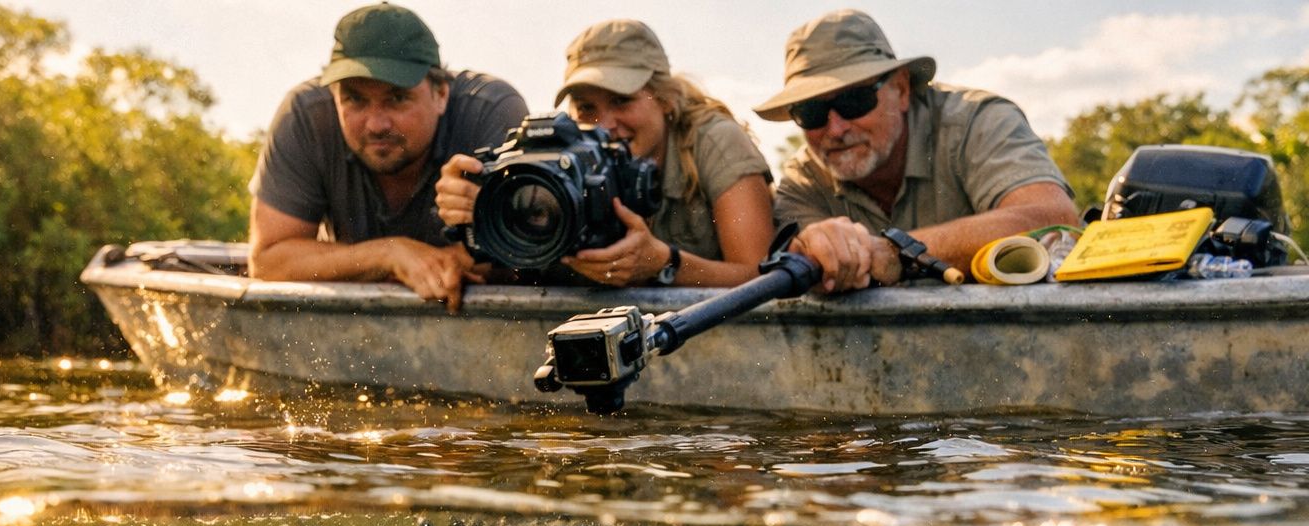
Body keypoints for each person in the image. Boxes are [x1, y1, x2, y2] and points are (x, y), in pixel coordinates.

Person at [753, 9, 1080, 293]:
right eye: (811, 112)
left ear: (901, 89)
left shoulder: (976, 122)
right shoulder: (802, 182)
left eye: (854, 101)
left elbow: (1053, 217)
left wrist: (893, 252)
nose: (835, 129)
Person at [436, 19, 774, 288]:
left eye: (621, 100)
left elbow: (760, 277)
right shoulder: (560, 162)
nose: (606, 123)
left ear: (665, 98)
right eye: (586, 107)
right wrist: (481, 210)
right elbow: (502, 272)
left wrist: (664, 264)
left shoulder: (713, 142)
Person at [247, 3, 527, 311]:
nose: (376, 124)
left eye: (397, 98)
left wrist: (478, 227)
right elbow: (269, 260)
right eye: (354, 98)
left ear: (441, 94)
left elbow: (526, 250)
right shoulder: (305, 116)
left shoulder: (491, 113)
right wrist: (389, 255)